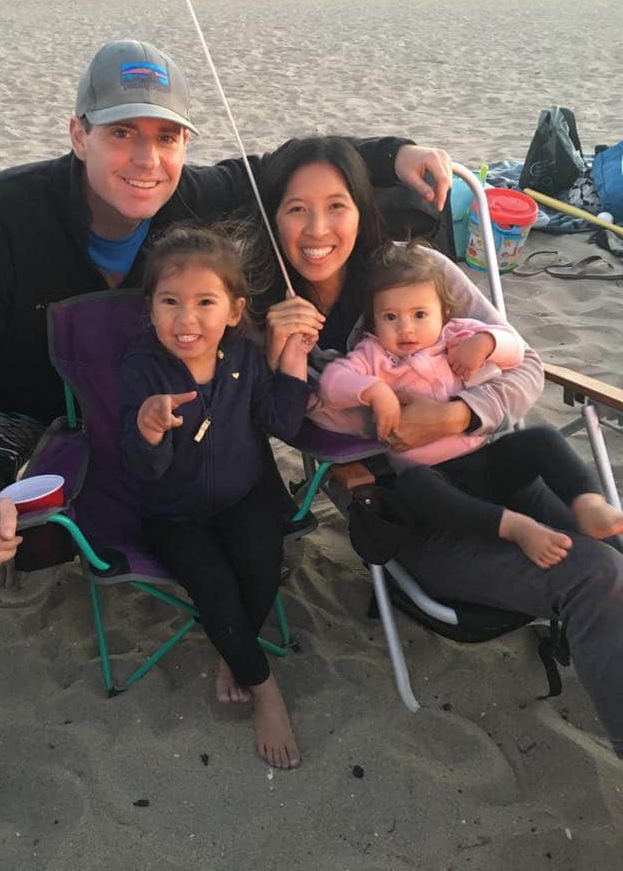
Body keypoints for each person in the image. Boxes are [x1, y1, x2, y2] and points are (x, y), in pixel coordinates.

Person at [0, 36, 453, 591]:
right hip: (8, 408)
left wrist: (393, 154)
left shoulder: (191, 197)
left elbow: (283, 168)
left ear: (184, 143)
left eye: (167, 137)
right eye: (121, 133)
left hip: (122, 409)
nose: (147, 161)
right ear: (78, 134)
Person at [254, 134, 623, 758]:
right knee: (596, 575)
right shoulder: (272, 313)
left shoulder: (421, 274)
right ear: (274, 217)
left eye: (337, 205)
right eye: (296, 208)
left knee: (612, 551)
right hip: (416, 509)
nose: (318, 227)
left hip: (494, 467)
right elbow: (295, 425)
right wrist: (283, 365)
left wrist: (458, 413)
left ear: (362, 208)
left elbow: (524, 363)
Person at [119, 224, 309, 769]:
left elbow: (279, 421)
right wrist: (149, 428)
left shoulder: (244, 356)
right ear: (150, 308)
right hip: (173, 513)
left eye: (205, 302)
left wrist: (291, 362)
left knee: (261, 565)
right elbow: (140, 466)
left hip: (246, 495)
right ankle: (265, 688)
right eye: (170, 302)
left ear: (232, 310)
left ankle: (235, 656)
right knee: (214, 586)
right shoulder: (141, 368)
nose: (187, 319)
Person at [312, 240, 623, 568]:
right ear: (374, 321)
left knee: (541, 438)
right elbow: (333, 383)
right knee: (413, 487)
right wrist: (373, 390)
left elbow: (516, 350)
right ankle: (515, 527)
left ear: (443, 313)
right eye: (390, 316)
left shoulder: (456, 335)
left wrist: (485, 343)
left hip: (485, 457)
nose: (406, 328)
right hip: (435, 478)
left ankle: (588, 503)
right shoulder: (373, 354)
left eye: (420, 314)